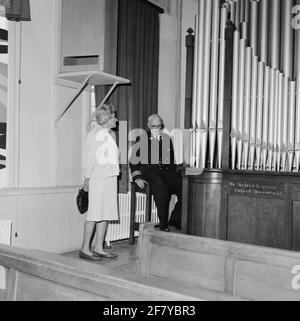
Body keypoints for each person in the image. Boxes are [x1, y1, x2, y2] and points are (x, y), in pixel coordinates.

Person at [79, 104, 119, 261]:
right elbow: (88, 160)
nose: (116, 119)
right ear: (107, 119)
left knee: (105, 213)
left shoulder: (110, 134)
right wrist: (87, 179)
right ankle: (85, 248)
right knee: (94, 214)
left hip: (110, 177)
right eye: (113, 116)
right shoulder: (94, 134)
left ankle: (99, 247)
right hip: (97, 178)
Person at [129, 114, 182, 231]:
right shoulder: (141, 138)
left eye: (158, 126)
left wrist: (174, 175)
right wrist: (137, 177)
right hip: (149, 171)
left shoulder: (166, 139)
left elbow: (171, 161)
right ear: (148, 125)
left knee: (185, 187)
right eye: (153, 126)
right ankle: (163, 222)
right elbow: (133, 160)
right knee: (160, 184)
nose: (156, 128)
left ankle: (175, 219)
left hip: (166, 171)